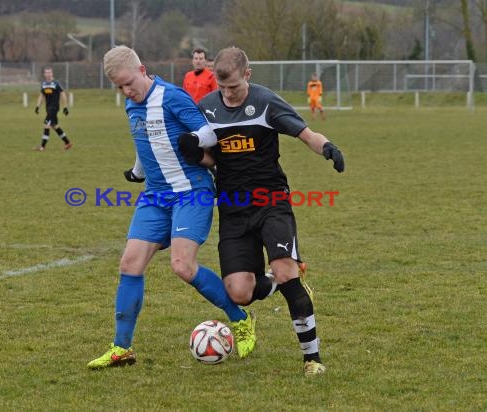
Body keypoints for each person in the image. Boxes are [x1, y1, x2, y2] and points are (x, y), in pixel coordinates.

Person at [179, 47, 345, 377]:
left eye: (234, 87)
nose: (227, 94)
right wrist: (195, 155)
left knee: (285, 270)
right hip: (233, 210)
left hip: (271, 202)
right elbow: (212, 159)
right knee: (240, 293)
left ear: (248, 75)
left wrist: (327, 148)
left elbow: (306, 134)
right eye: (221, 87)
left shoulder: (267, 101)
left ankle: (311, 358)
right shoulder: (208, 108)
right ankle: (281, 281)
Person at [86, 45, 256, 370]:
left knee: (182, 265)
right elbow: (144, 141)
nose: (126, 91)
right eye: (119, 87)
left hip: (191, 190)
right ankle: (122, 348)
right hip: (156, 195)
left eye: (127, 83)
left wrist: (194, 142)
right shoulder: (131, 105)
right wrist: (137, 171)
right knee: (129, 263)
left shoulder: (172, 96)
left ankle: (241, 318)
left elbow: (207, 133)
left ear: (142, 69)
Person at [34, 67, 72, 151]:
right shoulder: (43, 84)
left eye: (49, 73)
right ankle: (67, 142)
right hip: (48, 108)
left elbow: (63, 94)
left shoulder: (56, 83)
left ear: (52, 74)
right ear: (44, 74)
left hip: (54, 108)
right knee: (55, 126)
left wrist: (65, 107)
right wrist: (37, 106)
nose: (48, 74)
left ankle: (42, 147)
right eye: (46, 73)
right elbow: (41, 95)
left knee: (46, 125)